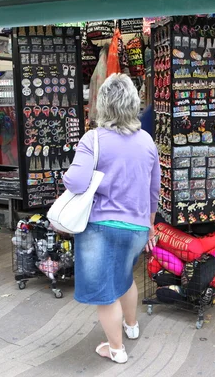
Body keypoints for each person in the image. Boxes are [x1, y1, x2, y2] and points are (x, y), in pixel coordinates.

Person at [63, 73, 160, 364]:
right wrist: (151, 223)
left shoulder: (93, 139)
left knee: (105, 293)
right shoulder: (146, 141)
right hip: (137, 227)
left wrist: (66, 176)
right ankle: (131, 326)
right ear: (134, 103)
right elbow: (153, 190)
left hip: (101, 228)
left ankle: (115, 348)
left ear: (103, 105)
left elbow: (77, 182)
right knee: (125, 277)